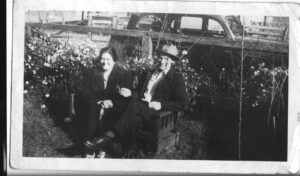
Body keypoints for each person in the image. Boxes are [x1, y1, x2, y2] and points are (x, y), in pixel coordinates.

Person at [85, 43, 189, 157]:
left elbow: (183, 104)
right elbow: (138, 94)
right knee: (133, 118)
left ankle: (108, 137)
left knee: (133, 105)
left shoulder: (176, 79)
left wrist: (160, 104)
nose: (162, 61)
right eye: (160, 58)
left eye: (166, 59)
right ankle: (131, 150)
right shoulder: (148, 74)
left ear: (173, 61)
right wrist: (130, 93)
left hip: (157, 114)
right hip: (139, 110)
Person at [74, 46, 133, 157]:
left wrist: (111, 103)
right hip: (95, 103)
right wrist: (100, 103)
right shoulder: (92, 72)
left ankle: (103, 147)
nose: (105, 62)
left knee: (110, 113)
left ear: (114, 60)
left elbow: (127, 98)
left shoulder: (124, 74)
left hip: (114, 106)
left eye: (108, 60)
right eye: (102, 59)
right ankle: (89, 147)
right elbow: (85, 93)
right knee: (92, 110)